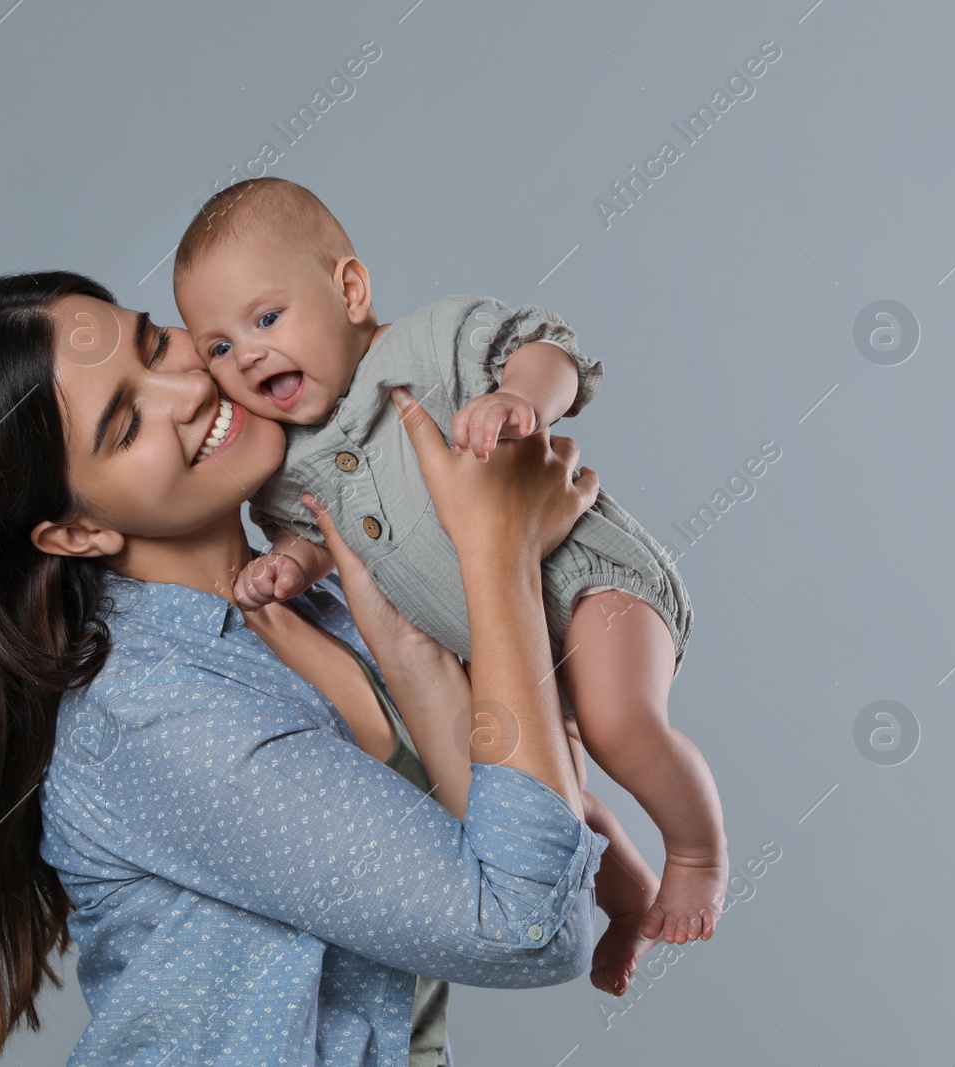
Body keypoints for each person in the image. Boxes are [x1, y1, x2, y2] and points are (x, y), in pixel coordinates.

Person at [0, 271, 627, 1067]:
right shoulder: (150, 713)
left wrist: (467, 584)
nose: (186, 387)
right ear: (74, 532)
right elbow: (528, 929)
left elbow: (531, 861)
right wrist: (497, 551)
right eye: (128, 423)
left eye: (155, 341)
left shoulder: (326, 587)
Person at [172, 178, 727, 966]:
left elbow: (550, 347)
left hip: (590, 583)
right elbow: (317, 540)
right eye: (220, 347)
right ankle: (623, 893)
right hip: (500, 648)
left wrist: (518, 398)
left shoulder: (429, 345)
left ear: (350, 290)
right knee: (534, 798)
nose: (249, 351)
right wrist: (288, 568)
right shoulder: (284, 465)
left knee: (615, 723)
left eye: (266, 317)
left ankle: (698, 853)